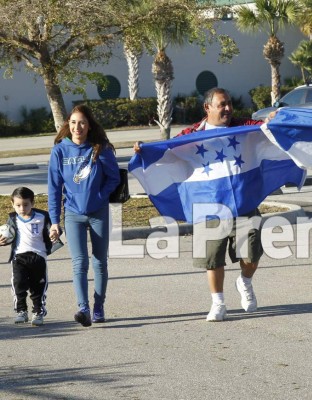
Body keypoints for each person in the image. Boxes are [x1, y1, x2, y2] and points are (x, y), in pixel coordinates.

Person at [134, 88, 264, 322]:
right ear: (208, 108)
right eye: (222, 104)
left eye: (229, 103)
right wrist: (144, 150)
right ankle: (219, 303)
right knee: (212, 258)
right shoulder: (192, 134)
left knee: (251, 256)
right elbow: (167, 150)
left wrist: (273, 121)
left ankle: (244, 282)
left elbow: (266, 129)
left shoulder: (244, 126)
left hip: (243, 204)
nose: (227, 108)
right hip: (209, 207)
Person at [48, 104, 120, 327]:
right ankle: (84, 309)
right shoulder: (60, 151)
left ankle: (99, 306)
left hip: (98, 213)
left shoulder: (100, 148)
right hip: (72, 214)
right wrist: (54, 221)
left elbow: (114, 178)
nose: (77, 127)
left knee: (99, 262)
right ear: (67, 125)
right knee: (79, 263)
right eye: (72, 123)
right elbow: (54, 188)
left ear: (89, 126)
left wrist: (101, 196)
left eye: (81, 123)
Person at [1, 187, 60, 326]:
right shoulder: (12, 219)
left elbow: (55, 230)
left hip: (38, 256)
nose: (22, 208)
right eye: (18, 205)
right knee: (18, 284)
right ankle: (21, 311)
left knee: (37, 287)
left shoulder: (43, 217)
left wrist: (54, 234)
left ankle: (38, 312)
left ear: (32, 203)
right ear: (12, 204)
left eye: (26, 205)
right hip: (19, 257)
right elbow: (6, 235)